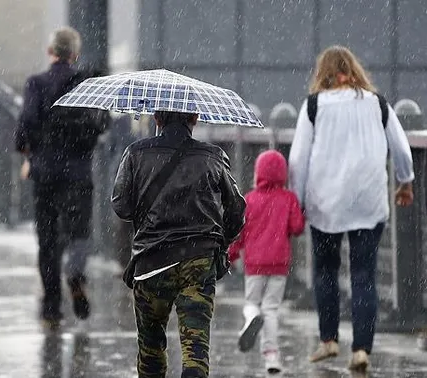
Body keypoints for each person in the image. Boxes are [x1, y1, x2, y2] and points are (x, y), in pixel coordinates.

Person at [289, 45, 415, 372]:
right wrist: (406, 182)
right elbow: (401, 147)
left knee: (326, 272)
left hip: (324, 202)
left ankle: (329, 341)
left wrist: (297, 200)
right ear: (354, 70)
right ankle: (361, 350)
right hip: (368, 202)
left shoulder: (313, 106)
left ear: (324, 73)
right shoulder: (378, 104)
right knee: (364, 276)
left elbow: (298, 159)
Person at [112, 111, 245, 377]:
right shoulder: (213, 156)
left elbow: (121, 206)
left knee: (150, 348)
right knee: (195, 348)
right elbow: (236, 210)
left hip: (151, 261)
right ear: (194, 118)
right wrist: (222, 243)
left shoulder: (136, 153)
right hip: (198, 259)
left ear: (157, 119)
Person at [15, 27, 106, 329]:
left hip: (45, 174)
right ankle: (76, 272)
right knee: (80, 232)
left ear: (50, 51)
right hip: (79, 173)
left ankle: (51, 307)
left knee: (47, 240)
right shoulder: (87, 85)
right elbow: (100, 124)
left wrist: (28, 146)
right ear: (75, 54)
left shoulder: (36, 84)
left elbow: (26, 122)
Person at [228, 150, 305, 374]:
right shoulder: (288, 198)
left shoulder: (249, 200)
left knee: (252, 302)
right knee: (271, 308)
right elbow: (297, 227)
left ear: (257, 173)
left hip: (254, 264)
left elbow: (238, 233)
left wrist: (231, 255)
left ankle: (252, 317)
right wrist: (300, 210)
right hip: (279, 263)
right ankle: (272, 357)